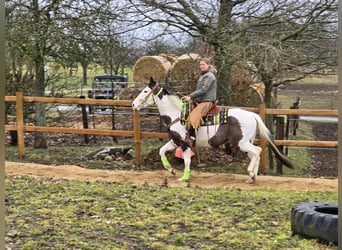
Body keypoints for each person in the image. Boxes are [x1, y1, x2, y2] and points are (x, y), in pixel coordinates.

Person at [182, 58, 217, 145]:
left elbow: (203, 90)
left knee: (193, 117)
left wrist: (190, 96)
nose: (201, 66)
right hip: (201, 100)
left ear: (208, 65)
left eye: (203, 64)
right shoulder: (204, 75)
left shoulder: (209, 76)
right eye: (200, 64)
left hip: (207, 101)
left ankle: (191, 138)